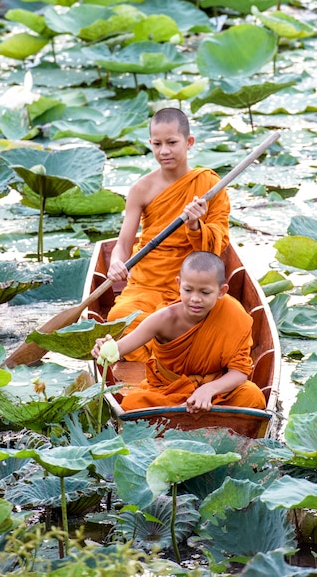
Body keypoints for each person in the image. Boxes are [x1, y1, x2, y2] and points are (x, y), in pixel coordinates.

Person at [105, 107, 230, 361]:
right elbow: (124, 242)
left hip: (191, 283)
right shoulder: (141, 189)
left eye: (172, 142)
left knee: (206, 320)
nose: (164, 151)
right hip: (147, 283)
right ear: (150, 143)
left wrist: (196, 226)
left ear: (189, 142)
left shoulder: (209, 185)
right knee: (118, 318)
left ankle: (163, 346)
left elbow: (219, 244)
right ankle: (167, 355)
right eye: (157, 144)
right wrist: (117, 262)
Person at [92, 251, 266, 413]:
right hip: (169, 392)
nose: (195, 299)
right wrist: (104, 348)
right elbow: (119, 348)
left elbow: (240, 372)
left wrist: (208, 390)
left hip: (215, 392)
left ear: (221, 292)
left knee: (252, 397)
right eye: (188, 290)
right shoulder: (164, 318)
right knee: (132, 405)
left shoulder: (234, 315)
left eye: (205, 292)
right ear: (178, 285)